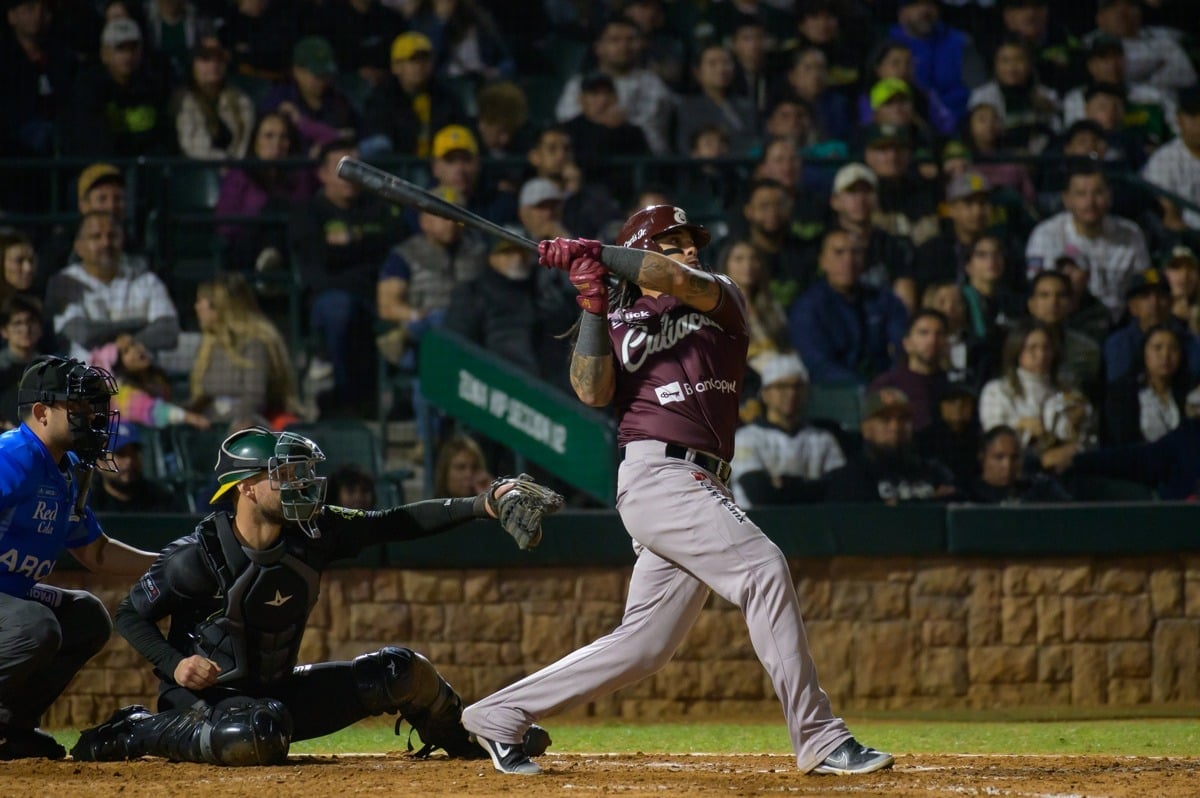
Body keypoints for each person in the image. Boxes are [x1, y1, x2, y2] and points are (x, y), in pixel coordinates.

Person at [461, 206, 893, 776]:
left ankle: (498, 714)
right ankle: (818, 736)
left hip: (699, 479)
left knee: (645, 645)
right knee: (763, 568)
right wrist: (592, 300)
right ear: (643, 251)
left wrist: (596, 253)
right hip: (658, 475)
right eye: (671, 242)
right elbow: (591, 391)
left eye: (691, 241)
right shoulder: (620, 318)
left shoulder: (722, 295)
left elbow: (681, 282)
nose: (689, 249)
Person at [70, 426, 561, 766]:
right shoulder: (196, 556)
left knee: (400, 671)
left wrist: (484, 504)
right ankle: (132, 731)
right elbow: (130, 614)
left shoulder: (314, 531)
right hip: (204, 707)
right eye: (284, 476)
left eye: (301, 473)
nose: (300, 485)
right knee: (254, 736)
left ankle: (465, 736)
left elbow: (395, 522)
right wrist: (175, 664)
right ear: (245, 487)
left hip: (278, 696)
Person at [0, 356, 157, 760]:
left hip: (10, 594)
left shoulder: (64, 469)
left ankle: (10, 730)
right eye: (79, 408)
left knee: (85, 616)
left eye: (94, 407)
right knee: (36, 625)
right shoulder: (12, 456)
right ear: (41, 412)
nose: (93, 417)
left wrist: (171, 562)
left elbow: (95, 551)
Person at [45, 211, 181, 362]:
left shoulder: (146, 280)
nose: (106, 243)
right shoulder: (64, 281)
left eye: (112, 236)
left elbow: (169, 332)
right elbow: (83, 334)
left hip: (140, 379)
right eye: (96, 237)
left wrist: (122, 343)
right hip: (87, 380)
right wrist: (141, 323)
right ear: (79, 247)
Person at [1025, 165, 1151, 321]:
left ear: (1109, 197)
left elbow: (1144, 283)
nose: (1090, 202)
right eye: (1081, 194)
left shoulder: (1131, 233)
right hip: (1070, 320)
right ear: (1067, 199)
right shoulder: (1046, 235)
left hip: (1121, 320)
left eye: (1098, 193)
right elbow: (1040, 296)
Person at [789, 229, 908, 385]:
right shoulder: (808, 308)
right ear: (823, 261)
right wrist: (868, 389)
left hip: (887, 387)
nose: (848, 260)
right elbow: (819, 365)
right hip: (835, 395)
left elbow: (903, 346)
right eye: (839, 253)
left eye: (856, 252)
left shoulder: (884, 300)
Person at [731, 351, 845, 508]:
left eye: (797, 386)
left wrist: (786, 484)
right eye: (781, 387)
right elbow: (759, 495)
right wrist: (813, 486)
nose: (791, 393)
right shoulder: (745, 438)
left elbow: (840, 490)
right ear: (765, 394)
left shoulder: (823, 438)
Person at [190, 274, 301, 429]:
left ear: (219, 305)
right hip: (212, 426)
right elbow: (204, 398)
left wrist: (225, 421)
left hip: (248, 426)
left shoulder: (254, 344)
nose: (197, 307)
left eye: (201, 301)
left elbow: (254, 398)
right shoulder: (208, 346)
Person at [824, 387, 960, 503]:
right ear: (866, 429)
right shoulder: (848, 479)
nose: (896, 427)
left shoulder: (935, 472)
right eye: (885, 419)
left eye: (903, 419)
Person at [1103, 323, 1191, 446]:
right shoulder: (1122, 393)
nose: (1165, 355)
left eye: (1173, 348)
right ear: (1144, 352)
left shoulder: (1188, 391)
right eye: (1157, 348)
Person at [868, 309, 951, 432]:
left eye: (939, 334)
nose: (932, 340)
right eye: (923, 333)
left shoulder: (954, 385)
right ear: (907, 343)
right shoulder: (886, 386)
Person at [173, 37, 255, 161]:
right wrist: (225, 164)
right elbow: (193, 147)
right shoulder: (184, 100)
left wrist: (235, 170)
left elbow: (246, 142)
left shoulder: (240, 99)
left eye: (219, 58)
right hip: (200, 172)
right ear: (193, 64)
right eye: (206, 59)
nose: (214, 64)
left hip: (238, 171)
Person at [965, 424, 1071, 503]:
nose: (1008, 465)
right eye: (999, 457)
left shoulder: (1041, 489)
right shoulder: (970, 496)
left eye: (1014, 458)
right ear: (982, 458)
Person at [90, 422, 181, 512]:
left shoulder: (162, 501)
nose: (129, 461)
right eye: (121, 453)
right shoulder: (89, 507)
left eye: (134, 453)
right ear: (100, 462)